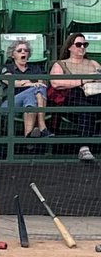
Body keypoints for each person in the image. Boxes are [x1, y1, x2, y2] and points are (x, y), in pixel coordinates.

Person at [48, 32, 101, 161]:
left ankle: (85, 147)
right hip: (72, 98)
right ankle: (84, 148)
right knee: (86, 108)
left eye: (84, 44)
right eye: (78, 44)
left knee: (90, 105)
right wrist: (83, 80)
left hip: (94, 96)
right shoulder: (60, 64)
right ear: (69, 47)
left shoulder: (93, 63)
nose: (82, 47)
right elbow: (56, 83)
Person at [0, 39, 49, 138]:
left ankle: (28, 136)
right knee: (34, 90)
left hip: (32, 104)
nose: (23, 52)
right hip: (11, 104)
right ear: (12, 55)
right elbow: (11, 81)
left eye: (26, 50)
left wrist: (26, 83)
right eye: (19, 50)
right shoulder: (7, 68)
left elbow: (42, 84)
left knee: (32, 96)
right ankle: (42, 126)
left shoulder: (35, 68)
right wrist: (31, 84)